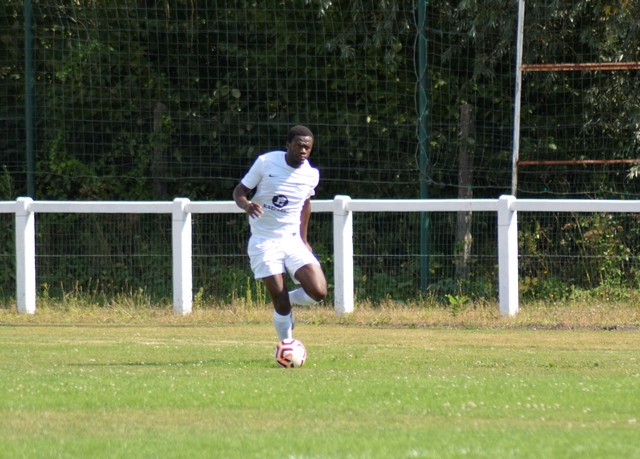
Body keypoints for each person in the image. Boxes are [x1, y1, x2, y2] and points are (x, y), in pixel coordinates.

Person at [233, 125, 328, 341]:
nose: (303, 151)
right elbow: (239, 191)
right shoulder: (266, 162)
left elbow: (305, 205)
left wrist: (303, 239)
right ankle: (287, 344)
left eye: (307, 147)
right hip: (264, 241)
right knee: (280, 302)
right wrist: (247, 205)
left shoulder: (311, 174)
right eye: (299, 146)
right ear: (288, 145)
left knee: (319, 292)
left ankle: (287, 299)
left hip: (292, 241)